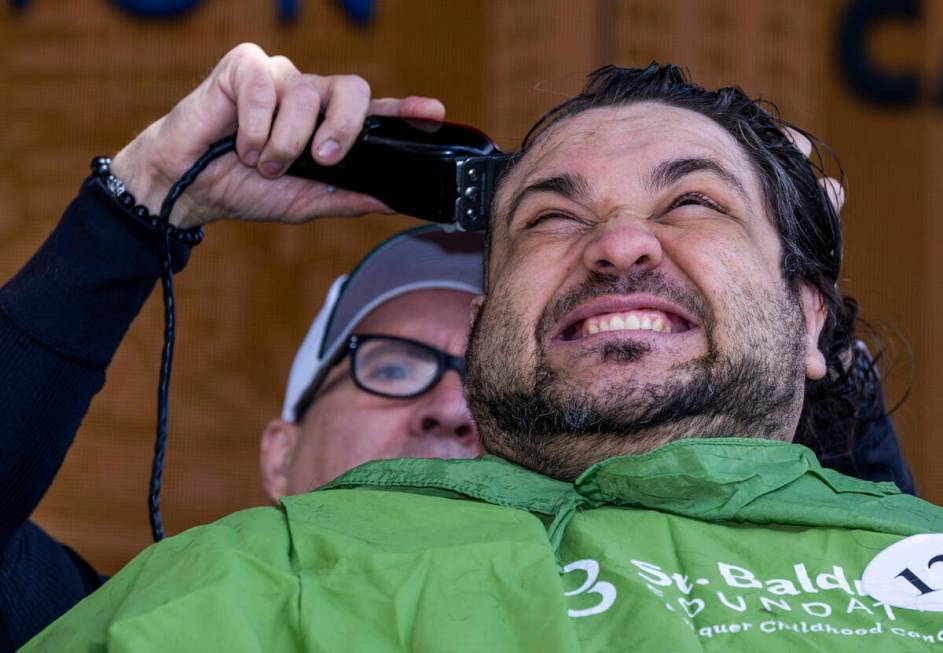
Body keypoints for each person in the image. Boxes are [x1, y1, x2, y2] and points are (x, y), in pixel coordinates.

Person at [14, 48, 934, 651]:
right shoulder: (227, 586)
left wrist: (795, 305)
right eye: (549, 217)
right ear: (493, 327)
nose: (616, 244)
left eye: (693, 200)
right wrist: (137, 202)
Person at [0, 44, 486, 651]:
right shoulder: (117, 630)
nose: (452, 406)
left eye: (486, 383)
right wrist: (143, 196)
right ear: (280, 457)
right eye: (391, 366)